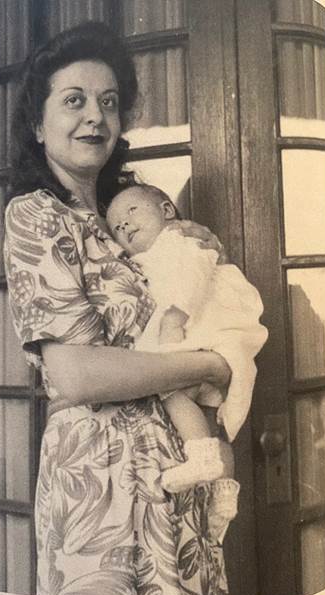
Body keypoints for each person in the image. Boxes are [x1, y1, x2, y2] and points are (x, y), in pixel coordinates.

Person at [4, 21, 237, 595]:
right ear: (38, 124)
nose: (95, 117)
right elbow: (77, 377)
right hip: (96, 481)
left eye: (108, 103)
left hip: (177, 476)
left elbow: (200, 295)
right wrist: (206, 362)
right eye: (74, 100)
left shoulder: (126, 220)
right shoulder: (35, 217)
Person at [106, 184, 268, 534]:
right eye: (117, 227)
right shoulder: (148, 257)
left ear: (167, 210)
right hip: (210, 339)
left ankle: (201, 458)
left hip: (204, 329)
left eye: (132, 212)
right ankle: (224, 495)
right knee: (212, 421)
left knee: (171, 390)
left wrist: (174, 316)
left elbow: (194, 275)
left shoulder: (180, 240)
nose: (125, 226)